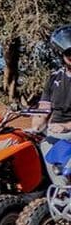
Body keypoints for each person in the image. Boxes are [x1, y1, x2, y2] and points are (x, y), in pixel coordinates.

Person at [31, 25, 71, 182]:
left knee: (48, 146)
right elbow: (43, 109)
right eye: (68, 53)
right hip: (54, 131)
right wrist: (35, 127)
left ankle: (62, 192)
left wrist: (66, 126)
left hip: (65, 131)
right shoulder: (54, 78)